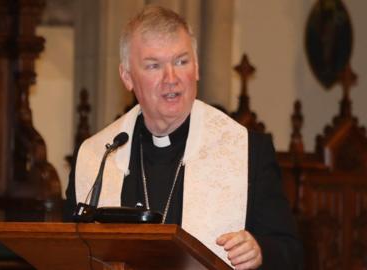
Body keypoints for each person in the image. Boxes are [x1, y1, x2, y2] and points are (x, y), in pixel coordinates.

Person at [64, 5, 302, 270]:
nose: (172, 78)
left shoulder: (247, 151)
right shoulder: (96, 156)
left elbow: (290, 253)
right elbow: (70, 253)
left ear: (197, 67)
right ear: (127, 77)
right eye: (154, 66)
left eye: (181, 61)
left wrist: (259, 252)